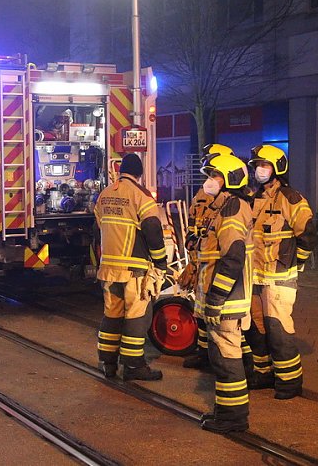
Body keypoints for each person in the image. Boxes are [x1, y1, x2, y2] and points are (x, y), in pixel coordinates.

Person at [247, 144, 316, 400]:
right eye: (256, 166)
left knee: (278, 330)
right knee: (257, 329)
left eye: (264, 166)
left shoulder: (290, 198)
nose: (259, 171)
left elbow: (307, 233)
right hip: (255, 278)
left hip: (279, 278)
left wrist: (295, 264)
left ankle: (290, 381)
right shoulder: (255, 199)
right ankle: (263, 373)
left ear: (277, 169)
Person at [94, 153, 168, 381]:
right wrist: (161, 261)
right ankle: (134, 366)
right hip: (134, 270)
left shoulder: (105, 195)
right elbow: (153, 229)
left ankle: (108, 362)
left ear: (120, 171)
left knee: (112, 315)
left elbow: (99, 225)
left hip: (109, 268)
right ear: (140, 173)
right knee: (137, 317)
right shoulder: (141, 196)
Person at [195, 153, 254, 433]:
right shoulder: (223, 207)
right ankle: (226, 413)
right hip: (225, 297)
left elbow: (232, 257)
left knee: (227, 358)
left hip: (228, 300)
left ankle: (233, 419)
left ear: (229, 179)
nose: (209, 182)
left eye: (215, 176)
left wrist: (216, 298)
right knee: (222, 357)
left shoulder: (232, 209)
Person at [179, 143, 233, 370]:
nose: (209, 176)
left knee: (222, 318)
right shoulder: (203, 193)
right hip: (201, 261)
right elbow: (194, 226)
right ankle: (204, 355)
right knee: (200, 310)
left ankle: (226, 359)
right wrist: (192, 258)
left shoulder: (233, 200)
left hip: (219, 265)